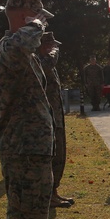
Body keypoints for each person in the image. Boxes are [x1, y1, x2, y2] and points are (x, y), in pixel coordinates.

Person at [0, 0, 69, 219]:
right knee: (25, 215)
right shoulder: (9, 48)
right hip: (22, 148)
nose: (44, 23)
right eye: (39, 17)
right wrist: (34, 25)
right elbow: (22, 43)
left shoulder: (21, 52)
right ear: (24, 16)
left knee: (35, 214)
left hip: (32, 147)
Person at [37, 31, 74, 207]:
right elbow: (48, 64)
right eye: (51, 45)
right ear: (43, 46)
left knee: (59, 156)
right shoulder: (39, 62)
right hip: (46, 119)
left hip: (56, 117)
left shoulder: (49, 64)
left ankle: (54, 192)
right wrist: (53, 53)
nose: (54, 49)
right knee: (50, 158)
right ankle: (48, 195)